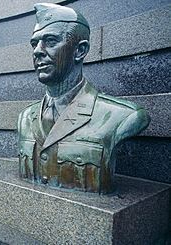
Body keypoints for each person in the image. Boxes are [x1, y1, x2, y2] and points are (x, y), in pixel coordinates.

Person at [18, 3, 150, 194]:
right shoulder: (24, 117)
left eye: (51, 41)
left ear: (80, 51)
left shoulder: (123, 116)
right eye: (34, 43)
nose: (37, 51)